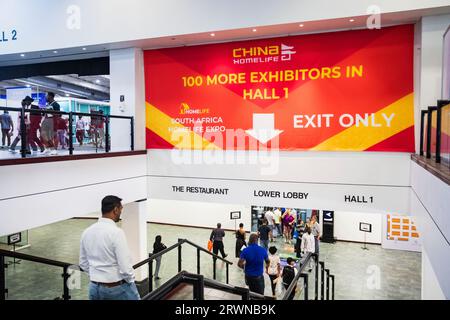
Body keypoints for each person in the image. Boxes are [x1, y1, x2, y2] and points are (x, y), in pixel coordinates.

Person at [79, 195, 140, 300]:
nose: (121, 213)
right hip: (117, 288)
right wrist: (130, 281)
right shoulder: (116, 233)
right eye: (121, 209)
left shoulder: (87, 232)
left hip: (94, 288)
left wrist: (97, 277)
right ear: (115, 210)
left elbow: (83, 263)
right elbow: (125, 267)